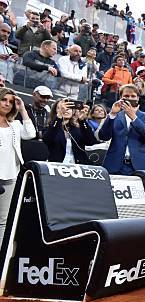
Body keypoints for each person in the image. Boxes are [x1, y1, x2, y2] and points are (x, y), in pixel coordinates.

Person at [0, 88, 36, 246]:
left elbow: (30, 133)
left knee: (3, 220)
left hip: (10, 175)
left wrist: (22, 109)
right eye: (3, 100)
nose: (7, 104)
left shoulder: (14, 124)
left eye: (10, 101)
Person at [98, 84, 145, 175]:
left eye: (133, 96)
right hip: (115, 165)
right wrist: (112, 115)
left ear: (138, 98)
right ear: (120, 97)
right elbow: (103, 136)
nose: (129, 98)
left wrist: (133, 117)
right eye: (126, 96)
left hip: (141, 165)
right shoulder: (115, 115)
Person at [43, 100, 97, 164]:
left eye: (69, 108)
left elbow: (90, 142)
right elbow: (47, 139)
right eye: (62, 108)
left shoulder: (78, 128)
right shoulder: (51, 127)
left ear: (73, 111)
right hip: (58, 166)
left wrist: (83, 121)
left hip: (78, 167)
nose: (66, 110)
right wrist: (59, 116)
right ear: (56, 111)